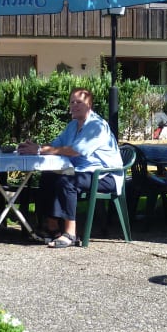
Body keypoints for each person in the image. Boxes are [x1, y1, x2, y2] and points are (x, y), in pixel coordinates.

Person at [18, 88, 123, 248]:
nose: (74, 106)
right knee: (48, 176)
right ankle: (52, 228)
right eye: (72, 102)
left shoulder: (97, 126)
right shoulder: (73, 125)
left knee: (67, 181)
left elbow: (76, 151)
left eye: (79, 102)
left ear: (89, 104)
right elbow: (55, 146)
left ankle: (70, 233)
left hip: (105, 175)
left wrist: (39, 150)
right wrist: (35, 147)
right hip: (83, 172)